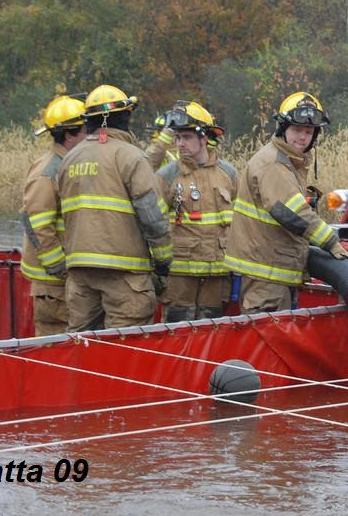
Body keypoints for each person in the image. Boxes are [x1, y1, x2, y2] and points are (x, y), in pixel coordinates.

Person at [223, 92, 348, 314]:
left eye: (308, 132)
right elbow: (292, 212)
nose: (302, 137)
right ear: (283, 128)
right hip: (266, 275)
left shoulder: (289, 162)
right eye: (297, 130)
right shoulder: (273, 163)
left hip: (274, 270)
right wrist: (331, 243)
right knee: (267, 341)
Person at [58, 84, 172, 331]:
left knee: (81, 346)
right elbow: (153, 217)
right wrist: (163, 261)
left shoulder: (70, 159)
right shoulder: (131, 157)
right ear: (123, 118)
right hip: (124, 274)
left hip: (80, 274)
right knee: (125, 347)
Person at [156, 101, 236, 321]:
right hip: (181, 278)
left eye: (187, 137)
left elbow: (242, 223)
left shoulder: (228, 174)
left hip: (217, 275)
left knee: (212, 332)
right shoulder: (167, 176)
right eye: (178, 138)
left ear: (204, 139)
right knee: (177, 333)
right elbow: (154, 224)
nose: (180, 144)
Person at [20, 94, 87, 335]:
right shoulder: (49, 171)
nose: (90, 138)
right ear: (69, 135)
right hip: (54, 286)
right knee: (54, 349)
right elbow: (36, 223)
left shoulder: (67, 164)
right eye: (85, 132)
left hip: (63, 282)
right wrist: (60, 268)